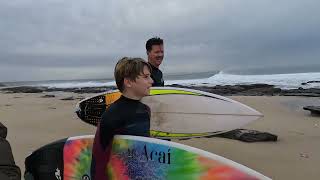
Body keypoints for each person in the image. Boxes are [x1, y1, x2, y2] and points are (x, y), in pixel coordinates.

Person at [90, 57, 154, 180]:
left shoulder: (146, 110)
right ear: (128, 82)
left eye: (150, 76)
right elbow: (99, 160)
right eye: (146, 77)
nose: (151, 81)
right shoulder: (111, 116)